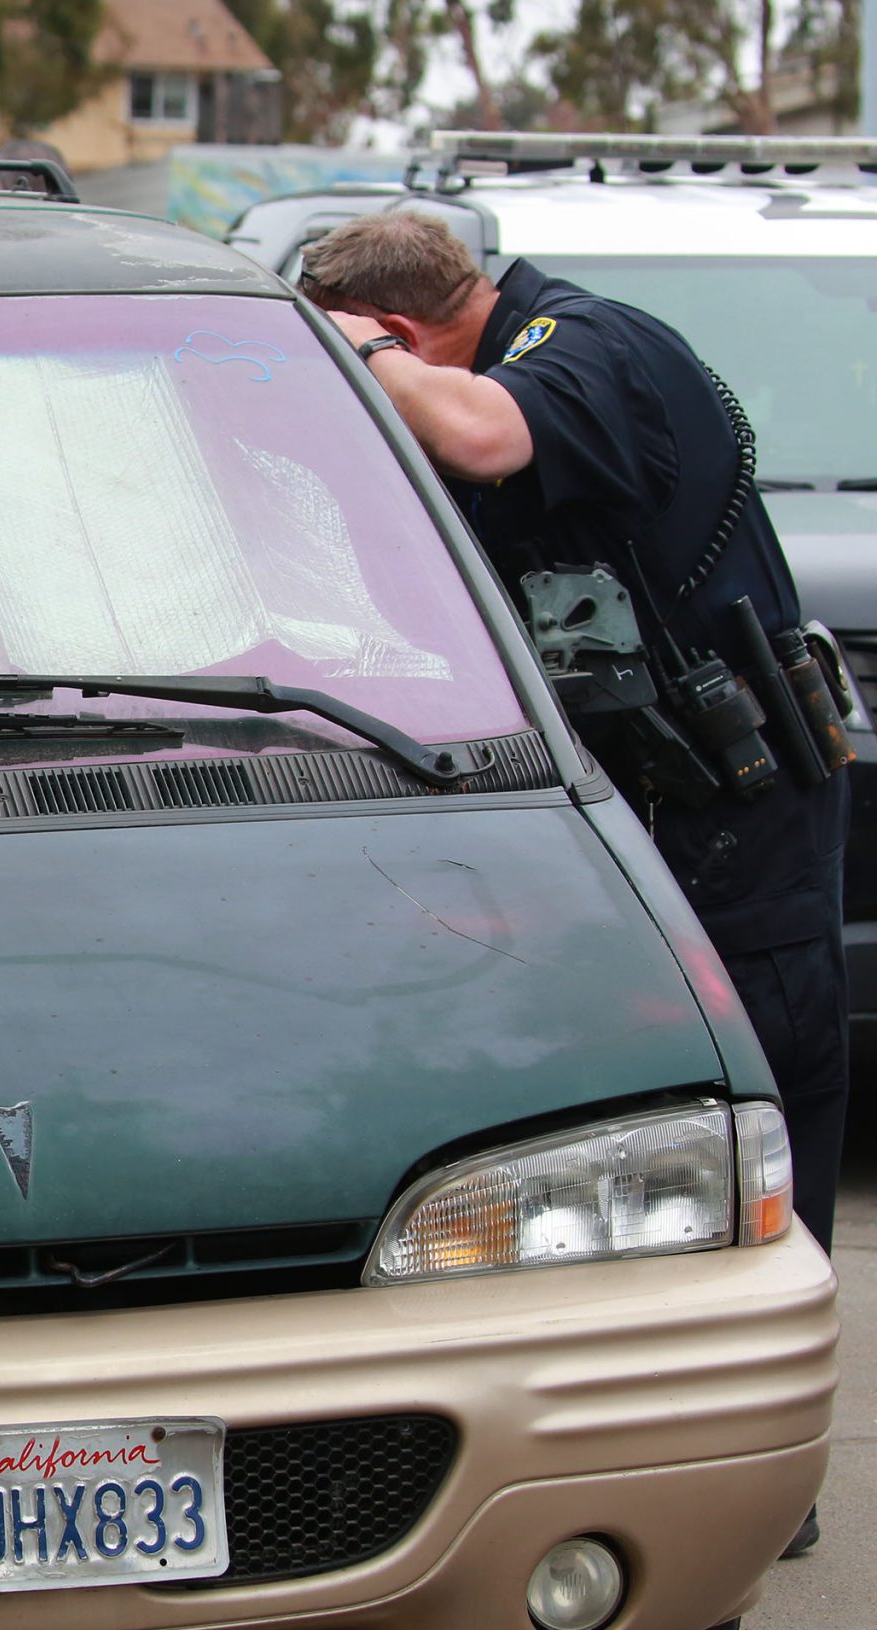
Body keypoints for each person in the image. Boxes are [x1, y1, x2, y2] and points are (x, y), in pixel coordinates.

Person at [298, 211, 846, 1555]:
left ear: (407, 333)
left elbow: (483, 434)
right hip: (627, 815)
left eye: (374, 360)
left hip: (736, 815)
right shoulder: (507, 356)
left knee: (748, 1122)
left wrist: (348, 355)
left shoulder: (583, 346)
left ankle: (766, 1483)